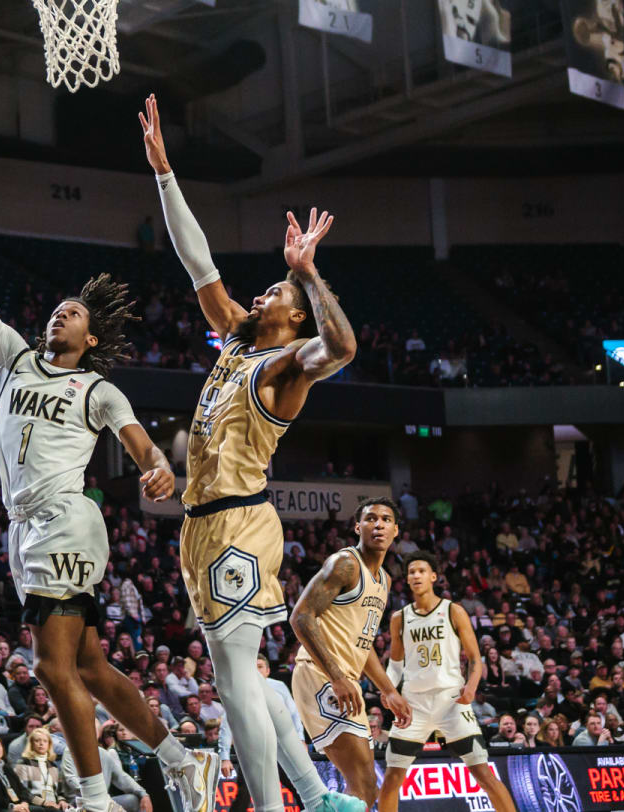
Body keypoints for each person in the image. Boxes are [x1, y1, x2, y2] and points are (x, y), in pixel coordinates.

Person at [0, 161, 216, 812]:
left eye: (73, 313)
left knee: (51, 667)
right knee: (87, 666)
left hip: (65, 521)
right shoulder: (15, 360)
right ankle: (180, 758)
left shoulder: (98, 389)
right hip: (25, 528)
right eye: (57, 309)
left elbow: (137, 439)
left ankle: (95, 798)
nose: (61, 315)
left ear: (92, 335)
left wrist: (155, 466)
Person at [141, 93, 362, 812]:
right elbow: (197, 263)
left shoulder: (286, 365)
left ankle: (272, 808)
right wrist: (166, 174)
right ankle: (312, 795)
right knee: (244, 676)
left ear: (293, 314)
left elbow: (345, 347)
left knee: (234, 673)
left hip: (239, 521)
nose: (262, 292)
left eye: (276, 290)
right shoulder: (240, 338)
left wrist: (307, 271)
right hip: (202, 524)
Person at [290, 499, 411, 809]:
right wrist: (338, 677)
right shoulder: (345, 563)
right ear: (358, 527)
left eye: (386, 519)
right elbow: (301, 617)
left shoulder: (384, 580)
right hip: (322, 675)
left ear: (396, 530)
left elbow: (363, 642)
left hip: (344, 680)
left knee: (366, 785)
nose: (379, 524)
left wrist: (388, 690)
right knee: (361, 781)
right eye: (371, 518)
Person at [377, 551, 516, 812]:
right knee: (392, 779)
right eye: (411, 572)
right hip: (413, 705)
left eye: (421, 571)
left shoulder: (454, 611)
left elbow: (475, 659)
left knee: (483, 775)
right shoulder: (399, 618)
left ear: (433, 576)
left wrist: (471, 688)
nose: (416, 575)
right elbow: (395, 665)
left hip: (451, 700)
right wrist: (388, 690)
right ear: (406, 580)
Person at [61, 739, 152, 812]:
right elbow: (71, 779)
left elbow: (122, 777)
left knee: (133, 800)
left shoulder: (103, 753)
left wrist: (143, 794)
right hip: (79, 800)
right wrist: (96, 793)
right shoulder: (70, 751)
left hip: (103, 800)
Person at [15, 727, 73, 810]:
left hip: (54, 805)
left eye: (45, 741)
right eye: (37, 740)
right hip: (35, 805)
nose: (41, 743)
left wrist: (62, 801)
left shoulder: (54, 766)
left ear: (49, 744)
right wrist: (43, 802)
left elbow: (60, 792)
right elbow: (22, 791)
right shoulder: (24, 763)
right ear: (31, 743)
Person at [0, 734, 37, 812]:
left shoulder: (7, 767)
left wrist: (24, 803)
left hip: (18, 804)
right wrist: (12, 807)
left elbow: (22, 788)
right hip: (1, 808)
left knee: (42, 810)